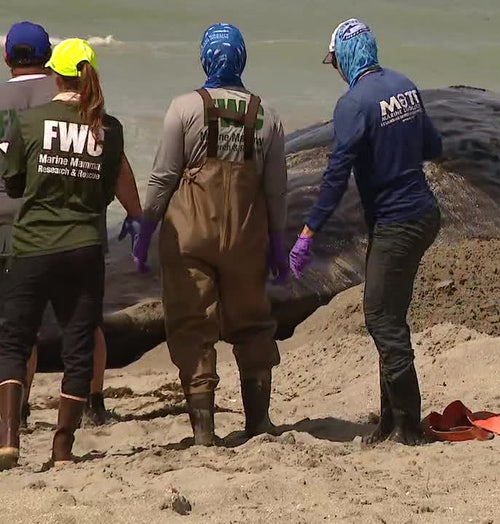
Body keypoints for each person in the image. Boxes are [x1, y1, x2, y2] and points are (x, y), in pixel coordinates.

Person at [132, 23, 288, 446]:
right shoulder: (266, 114)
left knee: (192, 325)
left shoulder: (184, 108)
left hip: (190, 236)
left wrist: (145, 233)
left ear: (205, 58)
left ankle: (204, 433)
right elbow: (276, 190)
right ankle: (258, 423)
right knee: (253, 323)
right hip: (246, 237)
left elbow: (163, 178)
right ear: (241, 59)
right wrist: (279, 245)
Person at [289, 18, 443, 446]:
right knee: (388, 313)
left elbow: (337, 177)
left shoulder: (352, 104)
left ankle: (410, 427)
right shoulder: (405, 85)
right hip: (422, 214)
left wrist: (308, 231)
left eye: (335, 61)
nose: (336, 69)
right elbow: (434, 147)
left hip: (398, 222)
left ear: (346, 59)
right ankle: (389, 422)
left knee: (380, 317)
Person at [0, 38, 137, 469]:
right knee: (79, 345)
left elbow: (15, 185)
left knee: (15, 340)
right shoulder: (109, 130)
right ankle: (61, 449)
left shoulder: (29, 122)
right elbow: (109, 190)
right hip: (83, 248)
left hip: (32, 246)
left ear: (55, 74)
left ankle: (8, 440)